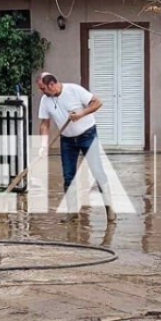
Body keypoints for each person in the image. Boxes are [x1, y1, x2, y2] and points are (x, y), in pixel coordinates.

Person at [37, 72, 116, 223]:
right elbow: (44, 124)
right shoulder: (45, 100)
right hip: (67, 140)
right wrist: (42, 145)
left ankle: (110, 209)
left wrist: (80, 114)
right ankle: (72, 213)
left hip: (87, 135)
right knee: (68, 176)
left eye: (43, 88)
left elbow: (97, 102)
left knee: (97, 172)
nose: (42, 92)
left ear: (52, 85)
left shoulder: (74, 90)